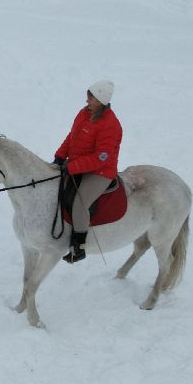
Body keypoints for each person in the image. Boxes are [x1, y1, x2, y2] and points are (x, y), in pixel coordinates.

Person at [53, 79, 121, 263]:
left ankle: (79, 247)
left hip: (100, 172)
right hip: (77, 163)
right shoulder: (84, 113)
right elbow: (72, 137)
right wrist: (60, 156)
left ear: (101, 100)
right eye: (88, 97)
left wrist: (73, 166)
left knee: (80, 203)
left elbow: (101, 157)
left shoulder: (111, 124)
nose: (87, 101)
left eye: (91, 98)